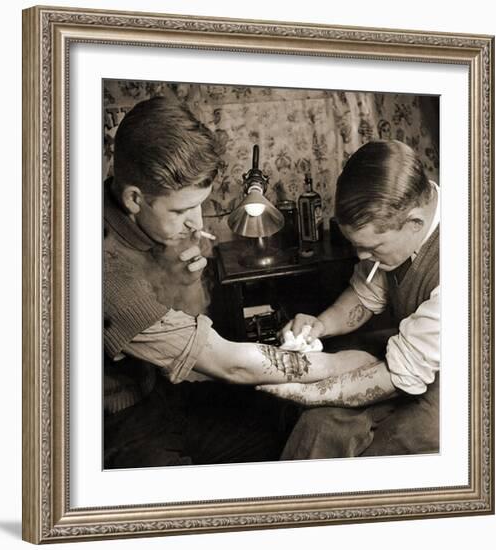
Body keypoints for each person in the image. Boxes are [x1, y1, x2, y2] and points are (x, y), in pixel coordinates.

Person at [103, 96, 377, 468]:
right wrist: (341, 365)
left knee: (281, 422)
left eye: (198, 205)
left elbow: (186, 322)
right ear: (135, 198)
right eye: (182, 210)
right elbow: (230, 363)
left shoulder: (148, 225)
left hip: (163, 393)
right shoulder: (105, 265)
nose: (197, 223)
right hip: (113, 421)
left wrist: (185, 280)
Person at [260, 140, 440, 458]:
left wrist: (310, 392)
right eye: (357, 245)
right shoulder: (393, 225)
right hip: (410, 356)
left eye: (373, 247)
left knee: (385, 450)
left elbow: (398, 376)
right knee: (320, 425)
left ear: (415, 223)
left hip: (468, 385)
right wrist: (321, 325)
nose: (361, 256)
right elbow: (365, 292)